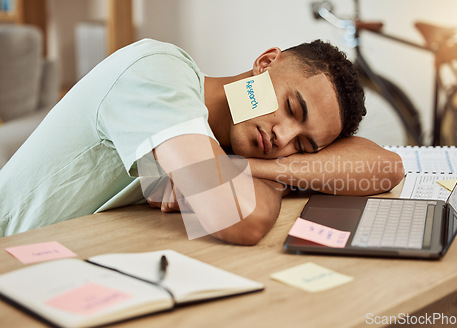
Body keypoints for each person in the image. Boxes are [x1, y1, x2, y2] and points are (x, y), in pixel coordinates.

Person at [0, 38, 403, 244]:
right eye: (291, 109)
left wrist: (254, 170)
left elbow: (386, 166)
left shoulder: (233, 144)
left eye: (304, 146)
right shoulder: (159, 73)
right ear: (265, 63)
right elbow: (242, 220)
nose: (283, 136)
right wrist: (276, 177)